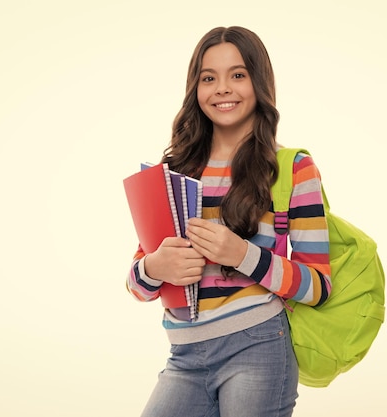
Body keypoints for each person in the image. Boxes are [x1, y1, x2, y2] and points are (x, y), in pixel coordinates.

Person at [127, 26, 332, 417]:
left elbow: (318, 286)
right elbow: (137, 285)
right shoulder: (171, 173)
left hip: (258, 347)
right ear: (196, 88)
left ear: (259, 82)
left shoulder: (293, 169)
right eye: (209, 78)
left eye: (237, 75)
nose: (223, 88)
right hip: (184, 355)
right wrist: (155, 266)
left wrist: (243, 255)